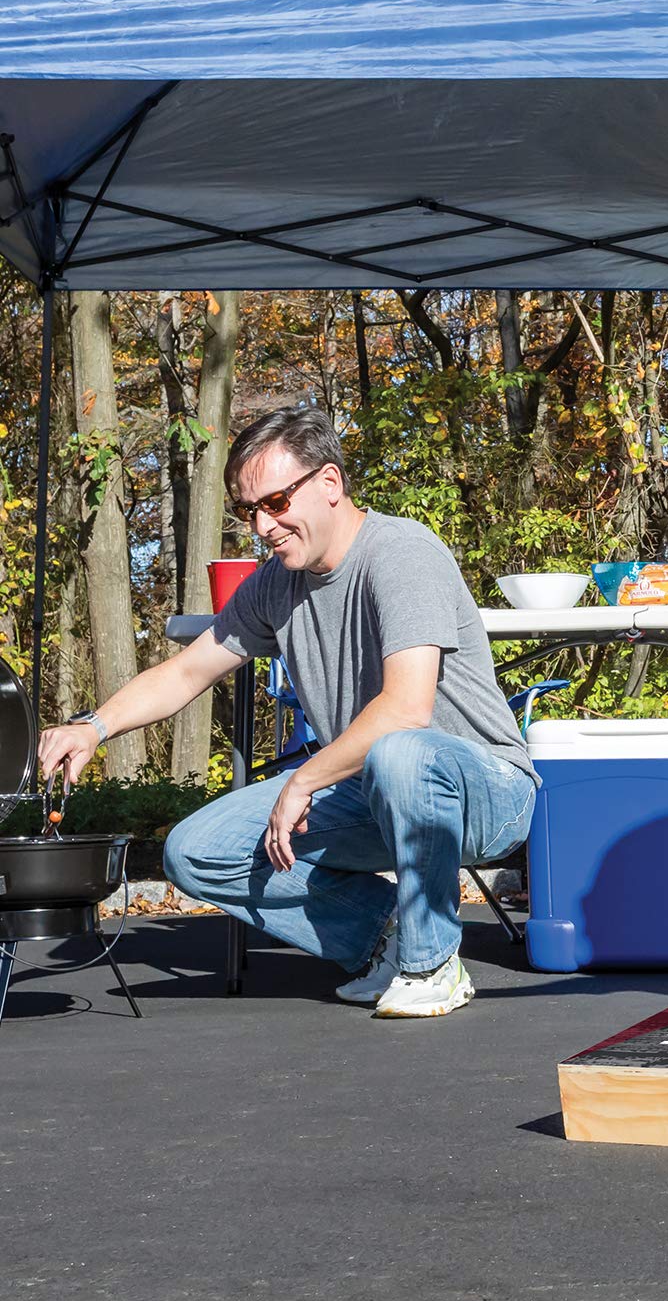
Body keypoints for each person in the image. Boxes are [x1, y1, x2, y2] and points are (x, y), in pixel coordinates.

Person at [37, 405, 536, 1019]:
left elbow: (407, 710)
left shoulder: (402, 553)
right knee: (196, 850)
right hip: (369, 790)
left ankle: (432, 964)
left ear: (329, 484)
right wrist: (92, 726)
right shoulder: (277, 584)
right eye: (250, 511)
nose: (262, 526)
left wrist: (301, 780)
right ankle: (389, 936)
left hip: (484, 792)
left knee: (401, 751)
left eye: (275, 502)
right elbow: (186, 672)